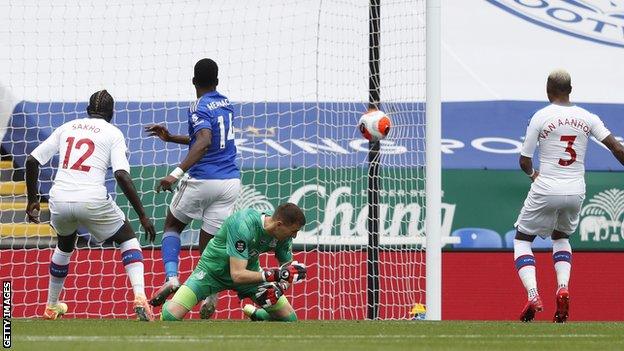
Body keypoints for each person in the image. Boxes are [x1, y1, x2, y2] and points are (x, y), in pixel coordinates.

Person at [25, 90, 157, 321]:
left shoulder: (67, 127)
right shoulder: (113, 133)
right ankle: (140, 298)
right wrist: (143, 216)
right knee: (127, 239)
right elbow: (122, 175)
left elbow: (32, 160)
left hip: (60, 198)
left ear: (87, 111)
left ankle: (51, 306)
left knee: (65, 246)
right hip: (93, 198)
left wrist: (33, 199)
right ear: (112, 113)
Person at [514, 70, 624, 323]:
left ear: (547, 90)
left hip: (546, 186)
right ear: (571, 89)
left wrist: (533, 175)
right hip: (575, 189)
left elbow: (524, 160)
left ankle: (533, 294)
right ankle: (562, 287)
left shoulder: (540, 117)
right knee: (561, 236)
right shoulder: (588, 117)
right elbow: (617, 148)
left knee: (522, 240)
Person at [145, 58, 240, 319]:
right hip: (229, 183)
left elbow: (205, 141)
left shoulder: (198, 105)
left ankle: (172, 278)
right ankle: (210, 293)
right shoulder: (226, 104)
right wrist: (171, 137)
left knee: (173, 226)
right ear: (217, 81)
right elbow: (203, 138)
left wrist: (175, 174)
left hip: (202, 180)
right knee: (209, 246)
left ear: (193, 81)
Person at [160, 203, 307, 322]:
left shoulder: (283, 235)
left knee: (289, 319)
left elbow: (287, 269)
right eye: (293, 231)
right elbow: (237, 275)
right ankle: (171, 304)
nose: (294, 236)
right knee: (170, 316)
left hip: (250, 276)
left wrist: (280, 287)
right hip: (212, 272)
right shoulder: (243, 224)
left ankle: (257, 314)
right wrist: (274, 275)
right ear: (279, 225)